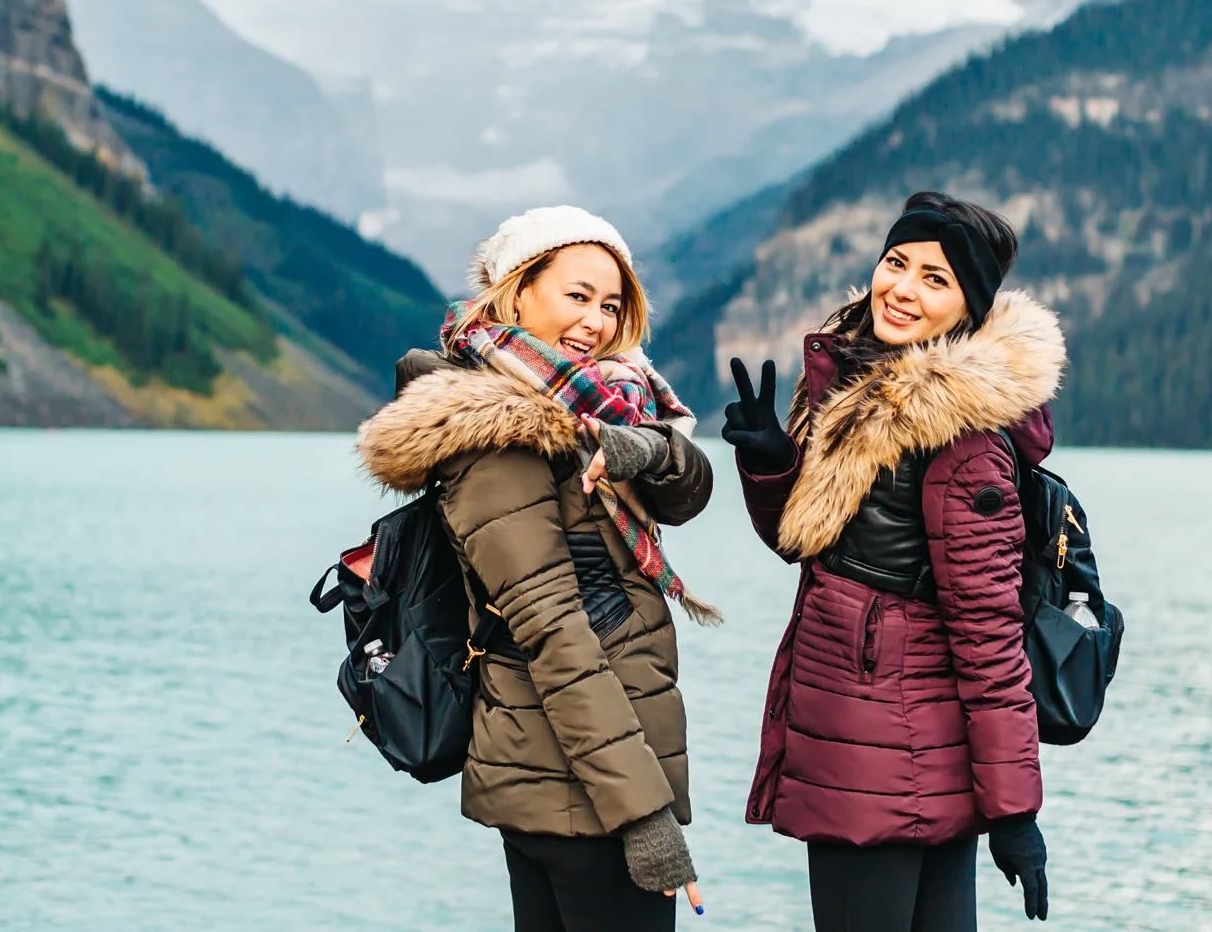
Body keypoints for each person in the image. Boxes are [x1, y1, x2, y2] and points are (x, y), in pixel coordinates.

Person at [357, 205, 715, 932]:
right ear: (517, 291)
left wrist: (646, 449)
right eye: (576, 295)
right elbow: (552, 632)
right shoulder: (498, 427)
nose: (596, 321)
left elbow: (690, 490)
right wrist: (642, 813)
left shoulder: (591, 409)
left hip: (564, 779)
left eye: (611, 304)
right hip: (584, 794)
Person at [721, 190, 1066, 931]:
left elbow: (989, 633)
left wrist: (1015, 812)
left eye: (935, 279)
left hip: (878, 755)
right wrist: (774, 464)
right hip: (893, 744)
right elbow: (809, 542)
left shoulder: (960, 437)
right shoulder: (863, 388)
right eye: (896, 262)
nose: (903, 287)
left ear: (968, 310)